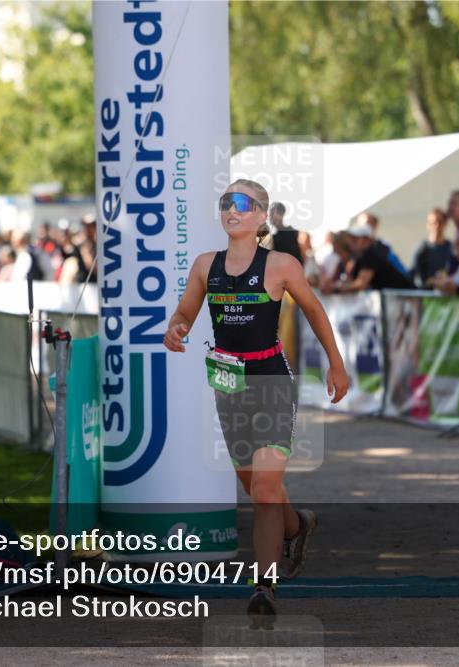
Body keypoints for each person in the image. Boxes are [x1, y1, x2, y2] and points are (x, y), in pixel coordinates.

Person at [163, 178, 349, 623]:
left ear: (261, 216)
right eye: (227, 201)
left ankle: (263, 587)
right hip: (228, 382)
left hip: (270, 380)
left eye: (244, 204)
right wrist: (178, 327)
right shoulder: (206, 265)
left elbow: (314, 310)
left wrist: (336, 363)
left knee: (264, 489)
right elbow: (187, 309)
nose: (233, 209)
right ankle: (298, 526)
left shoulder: (281, 264)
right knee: (253, 484)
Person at [335, 225, 414, 292]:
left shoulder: (371, 254)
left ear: (367, 240)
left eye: (355, 238)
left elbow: (361, 284)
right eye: (350, 237)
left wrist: (336, 289)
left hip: (405, 298)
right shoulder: (358, 257)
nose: (351, 241)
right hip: (395, 299)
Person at [410, 208, 453, 287]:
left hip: (448, 296)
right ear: (427, 225)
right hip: (426, 295)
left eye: (440, 222)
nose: (436, 226)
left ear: (446, 224)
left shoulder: (452, 248)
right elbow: (412, 273)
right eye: (433, 223)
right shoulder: (421, 249)